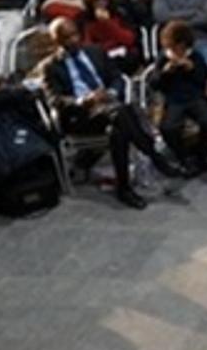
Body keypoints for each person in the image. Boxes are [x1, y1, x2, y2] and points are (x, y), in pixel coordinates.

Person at [39, 17, 186, 208]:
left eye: (75, 35)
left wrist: (110, 93)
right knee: (123, 114)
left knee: (119, 130)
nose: (73, 40)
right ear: (56, 41)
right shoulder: (50, 67)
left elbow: (117, 77)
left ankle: (124, 188)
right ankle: (156, 158)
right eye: (67, 38)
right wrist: (82, 101)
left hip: (109, 107)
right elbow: (54, 99)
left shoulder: (95, 52)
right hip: (82, 116)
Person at [150, 20, 207, 173]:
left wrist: (192, 69)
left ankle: (202, 154)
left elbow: (205, 77)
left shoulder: (195, 56)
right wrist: (165, 73)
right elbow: (154, 84)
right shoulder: (163, 58)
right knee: (168, 127)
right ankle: (183, 156)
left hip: (195, 97)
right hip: (174, 100)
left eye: (177, 47)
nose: (174, 51)